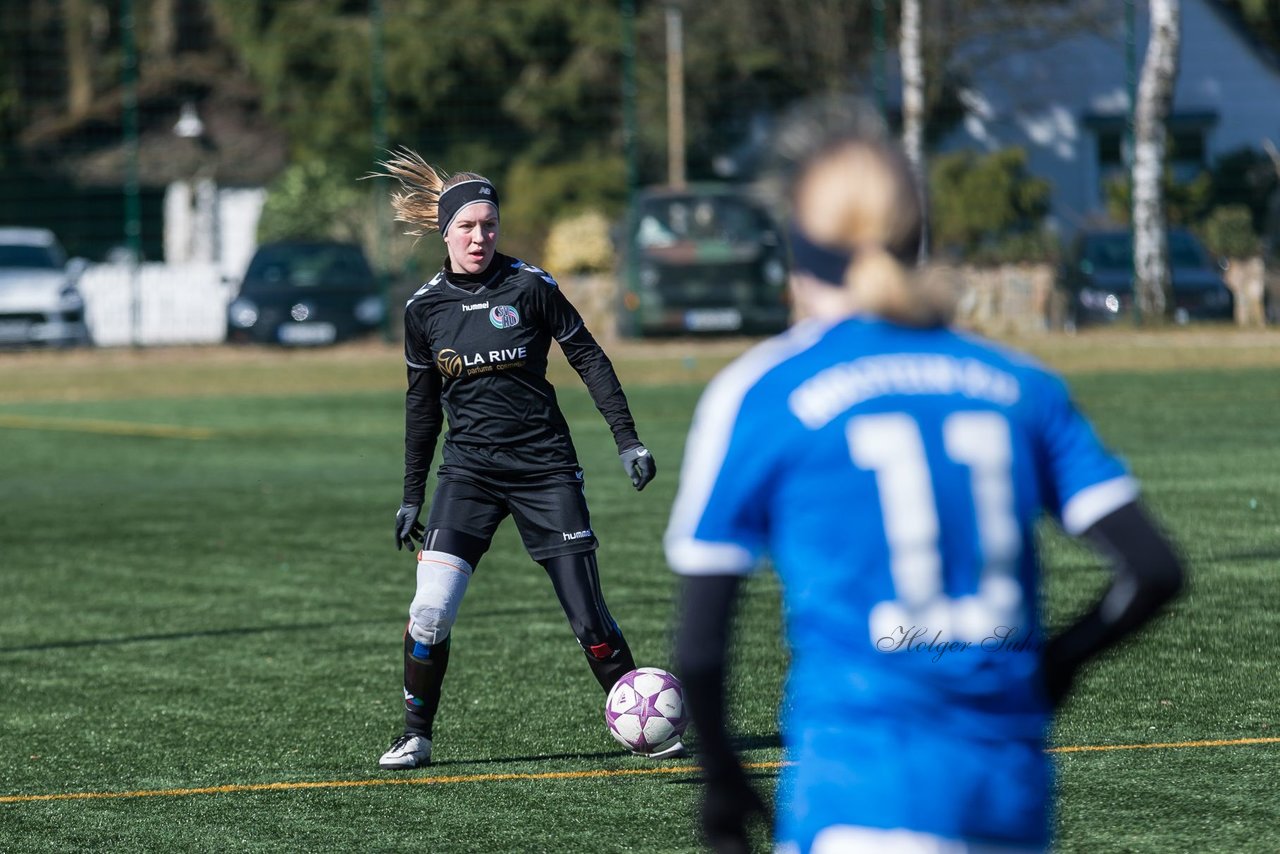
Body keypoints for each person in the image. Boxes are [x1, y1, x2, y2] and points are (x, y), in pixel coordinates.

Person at [665, 110, 1184, 853]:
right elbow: (1155, 568)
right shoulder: (1018, 383)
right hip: (1008, 794)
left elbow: (703, 644)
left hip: (861, 789)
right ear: (917, 239)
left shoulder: (765, 393)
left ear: (799, 249)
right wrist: (1054, 668)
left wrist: (722, 781)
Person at [372, 148, 661, 770]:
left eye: (490, 225)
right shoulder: (424, 309)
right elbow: (421, 407)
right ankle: (416, 734)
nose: (480, 237)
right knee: (428, 611)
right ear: (446, 231)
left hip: (544, 470)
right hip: (468, 474)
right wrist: (411, 494)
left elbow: (589, 358)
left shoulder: (529, 286)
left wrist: (627, 438)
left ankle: (643, 717)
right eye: (468, 227)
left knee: (588, 617)